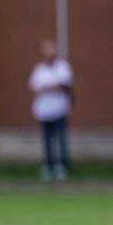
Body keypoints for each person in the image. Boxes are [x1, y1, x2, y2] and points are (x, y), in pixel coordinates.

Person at [29, 39, 74, 181]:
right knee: (46, 140)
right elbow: (35, 86)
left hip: (59, 110)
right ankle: (47, 166)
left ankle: (61, 166)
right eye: (46, 50)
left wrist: (48, 87)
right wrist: (51, 86)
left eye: (51, 50)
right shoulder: (40, 69)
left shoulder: (63, 67)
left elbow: (63, 85)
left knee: (61, 139)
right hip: (44, 111)